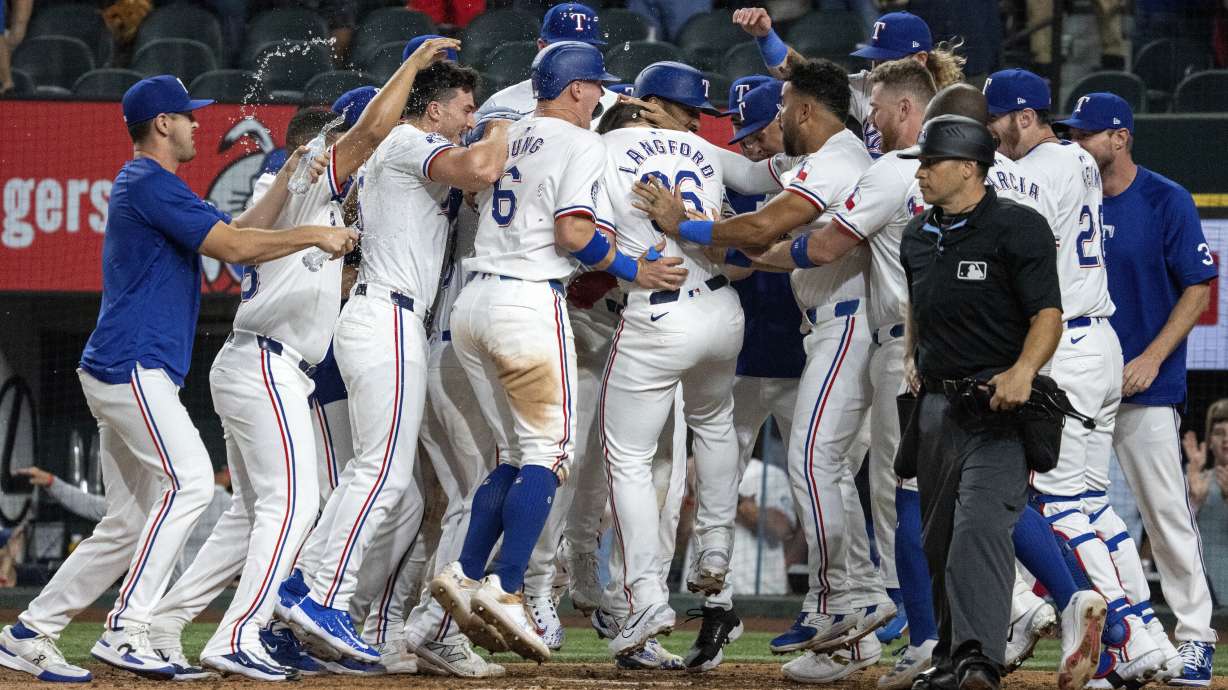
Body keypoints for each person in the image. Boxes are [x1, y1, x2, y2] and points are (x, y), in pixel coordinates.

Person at [0, 74, 355, 683]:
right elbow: (239, 250)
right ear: (162, 124)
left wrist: (294, 170)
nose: (196, 124)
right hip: (132, 363)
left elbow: (238, 230)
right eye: (187, 117)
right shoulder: (147, 181)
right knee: (190, 483)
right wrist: (315, 231)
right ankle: (127, 628)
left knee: (127, 520)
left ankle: (31, 629)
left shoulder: (160, 187)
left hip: (128, 366)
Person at [633, 57, 892, 684]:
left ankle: (844, 599)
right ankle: (853, 633)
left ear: (804, 110)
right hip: (837, 319)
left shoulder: (834, 158)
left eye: (781, 108)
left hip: (851, 319)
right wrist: (668, 129)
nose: (774, 120)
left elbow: (763, 223)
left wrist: (684, 224)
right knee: (827, 468)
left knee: (813, 462)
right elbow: (754, 203)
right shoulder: (823, 157)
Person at [429, 40, 685, 665]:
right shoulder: (581, 141)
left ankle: (462, 578)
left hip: (473, 302)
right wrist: (632, 269)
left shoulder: (509, 132)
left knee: (515, 455)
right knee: (551, 454)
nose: (600, 96)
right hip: (525, 300)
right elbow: (573, 234)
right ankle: (508, 588)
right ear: (575, 89)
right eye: (595, 85)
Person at [276, 51, 512, 665]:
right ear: (432, 109)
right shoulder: (409, 139)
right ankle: (323, 596)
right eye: (463, 109)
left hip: (389, 316)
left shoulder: (412, 149)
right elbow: (483, 167)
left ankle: (300, 587)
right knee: (381, 478)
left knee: (376, 476)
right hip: (386, 315)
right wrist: (510, 121)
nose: (469, 119)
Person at [983, 69, 1168, 685]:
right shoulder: (1072, 161)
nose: (992, 134)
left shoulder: (1042, 168)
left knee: (1059, 506)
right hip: (1097, 343)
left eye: (997, 121)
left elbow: (1004, 221)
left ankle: (1116, 637)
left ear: (1024, 116)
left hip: (1066, 348)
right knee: (1094, 505)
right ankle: (1146, 636)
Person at [897, 114, 1064, 690]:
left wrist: (1024, 370)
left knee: (980, 528)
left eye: (930, 163)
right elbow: (919, 302)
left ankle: (979, 661)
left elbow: (1048, 313)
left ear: (968, 168)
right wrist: (910, 356)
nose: (919, 174)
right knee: (938, 539)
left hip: (999, 407)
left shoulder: (1018, 227)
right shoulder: (916, 234)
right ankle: (950, 657)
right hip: (937, 410)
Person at [1063, 91, 1219, 686]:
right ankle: (1119, 643)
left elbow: (1199, 286)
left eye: (1086, 134)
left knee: (1165, 512)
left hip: (1144, 384)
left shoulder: (1165, 197)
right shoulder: (1068, 197)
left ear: (1120, 138)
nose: (1075, 143)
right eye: (1071, 134)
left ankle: (1196, 637)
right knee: (1075, 513)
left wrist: (1154, 357)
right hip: (1079, 384)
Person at [596, 61, 744, 670]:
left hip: (655, 312)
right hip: (722, 311)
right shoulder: (705, 153)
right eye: (690, 108)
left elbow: (577, 234)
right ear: (659, 104)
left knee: (629, 459)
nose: (694, 120)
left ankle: (647, 597)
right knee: (713, 426)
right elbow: (746, 208)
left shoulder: (600, 146)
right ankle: (714, 550)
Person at [12, 466, 231, 582]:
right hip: (191, 592)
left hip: (175, 592)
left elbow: (89, 505)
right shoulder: (157, 501)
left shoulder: (224, 503)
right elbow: (93, 506)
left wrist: (52, 482)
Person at [1184, 401, 1228, 602]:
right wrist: (1194, 502)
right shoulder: (1197, 481)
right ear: (1210, 441)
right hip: (1202, 587)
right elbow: (1172, 536)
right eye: (1219, 432)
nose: (1226, 439)